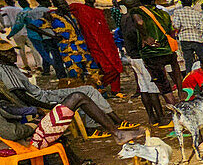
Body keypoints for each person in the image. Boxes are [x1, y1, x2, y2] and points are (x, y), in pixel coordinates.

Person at [0, 43, 139, 140]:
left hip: (44, 95)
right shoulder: (5, 69)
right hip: (43, 99)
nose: (12, 54)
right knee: (84, 93)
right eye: (7, 52)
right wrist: (44, 107)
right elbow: (20, 94)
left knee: (88, 90)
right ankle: (108, 126)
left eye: (12, 50)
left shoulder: (11, 67)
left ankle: (113, 123)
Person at [132, 0, 184, 106]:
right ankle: (181, 94)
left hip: (152, 53)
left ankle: (175, 107)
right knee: (176, 72)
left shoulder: (137, 11)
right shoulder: (163, 13)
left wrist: (145, 36)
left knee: (162, 82)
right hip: (168, 50)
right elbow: (172, 31)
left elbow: (139, 22)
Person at [70, 0, 124, 95]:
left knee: (116, 65)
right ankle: (98, 85)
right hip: (93, 43)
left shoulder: (100, 12)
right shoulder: (79, 8)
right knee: (105, 67)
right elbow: (62, 9)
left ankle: (115, 89)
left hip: (108, 42)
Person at [45, 0, 101, 81]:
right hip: (69, 50)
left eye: (65, 3)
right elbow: (32, 25)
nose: (65, 5)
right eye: (61, 4)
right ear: (57, 5)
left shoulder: (72, 14)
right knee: (75, 73)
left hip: (82, 47)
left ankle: (99, 92)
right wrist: (53, 36)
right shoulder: (52, 17)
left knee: (93, 71)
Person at [8, 0, 64, 78]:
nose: (50, 2)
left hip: (36, 35)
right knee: (54, 54)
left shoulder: (28, 13)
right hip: (50, 35)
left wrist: (11, 34)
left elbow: (19, 25)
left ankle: (46, 70)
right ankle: (59, 71)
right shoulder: (48, 11)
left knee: (44, 53)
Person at [169, 0, 203, 72]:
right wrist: (199, 35)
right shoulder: (197, 13)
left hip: (185, 38)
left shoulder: (177, 12)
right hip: (197, 39)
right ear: (191, 4)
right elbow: (201, 27)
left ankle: (189, 78)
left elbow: (176, 26)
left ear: (182, 3)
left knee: (188, 62)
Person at [2, 0, 38, 71]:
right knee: (33, 48)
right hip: (26, 31)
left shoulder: (4, 10)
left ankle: (26, 65)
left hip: (16, 32)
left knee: (21, 50)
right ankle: (39, 64)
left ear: (5, 2)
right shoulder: (20, 9)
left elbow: (7, 23)